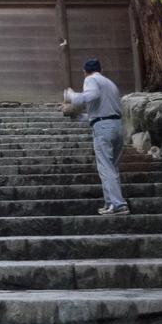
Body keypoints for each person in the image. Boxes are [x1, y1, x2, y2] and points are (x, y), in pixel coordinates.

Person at [64, 58, 129, 216]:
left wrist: (70, 95)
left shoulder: (91, 79)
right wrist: (76, 116)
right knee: (111, 167)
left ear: (85, 72)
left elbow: (91, 95)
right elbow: (100, 113)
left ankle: (118, 204)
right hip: (116, 126)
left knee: (106, 167)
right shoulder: (110, 84)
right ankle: (110, 204)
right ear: (100, 69)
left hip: (103, 129)